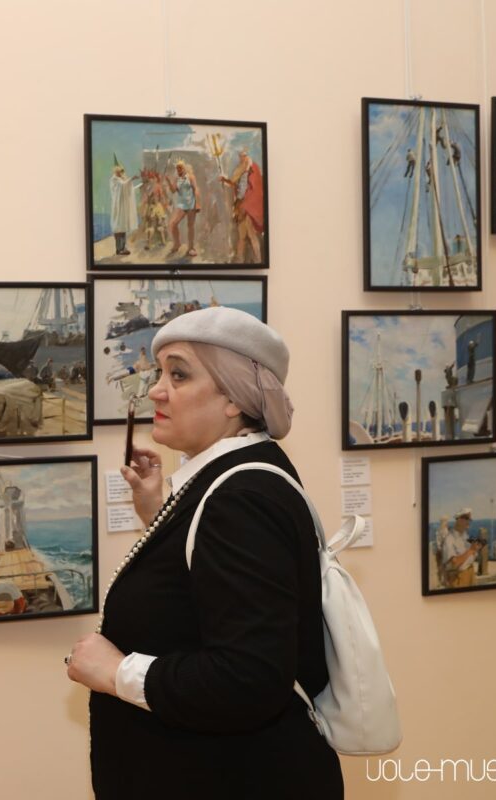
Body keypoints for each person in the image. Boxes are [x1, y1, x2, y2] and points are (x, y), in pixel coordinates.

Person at [66, 307, 342, 797]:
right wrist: (159, 512)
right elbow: (209, 596)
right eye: (159, 374)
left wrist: (115, 672)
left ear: (234, 397)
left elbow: (250, 679)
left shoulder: (240, 497)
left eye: (179, 374)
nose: (156, 391)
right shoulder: (233, 479)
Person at [220, 148, 264, 263]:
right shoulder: (240, 170)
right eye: (240, 156)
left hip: (248, 206)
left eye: (244, 156)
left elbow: (256, 190)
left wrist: (245, 205)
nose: (242, 158)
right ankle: (239, 259)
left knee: (251, 234)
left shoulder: (252, 169)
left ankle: (258, 260)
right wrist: (224, 180)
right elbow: (235, 184)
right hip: (240, 205)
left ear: (247, 157)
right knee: (242, 236)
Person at [164, 160, 200, 258]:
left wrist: (197, 204)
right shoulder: (177, 179)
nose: (178, 170)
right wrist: (168, 181)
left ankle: (191, 248)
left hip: (191, 204)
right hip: (182, 206)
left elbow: (196, 190)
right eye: (177, 168)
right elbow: (173, 190)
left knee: (190, 226)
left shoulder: (191, 177)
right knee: (173, 224)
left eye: (180, 168)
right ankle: (177, 244)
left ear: (184, 168)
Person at [441, 508, 483, 587]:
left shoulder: (465, 535)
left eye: (470, 519)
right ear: (459, 519)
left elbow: (468, 556)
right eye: (467, 518)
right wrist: (471, 550)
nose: (469, 522)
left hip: (470, 573)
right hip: (459, 578)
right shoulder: (449, 539)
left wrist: (475, 549)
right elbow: (454, 563)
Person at [109, 161, 140, 256]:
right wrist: (131, 179)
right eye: (120, 171)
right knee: (119, 228)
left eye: (122, 171)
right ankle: (119, 249)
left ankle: (122, 247)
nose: (122, 173)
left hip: (122, 207)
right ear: (116, 171)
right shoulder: (114, 180)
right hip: (118, 207)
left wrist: (132, 183)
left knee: (123, 227)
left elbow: (126, 187)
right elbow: (122, 186)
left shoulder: (120, 179)